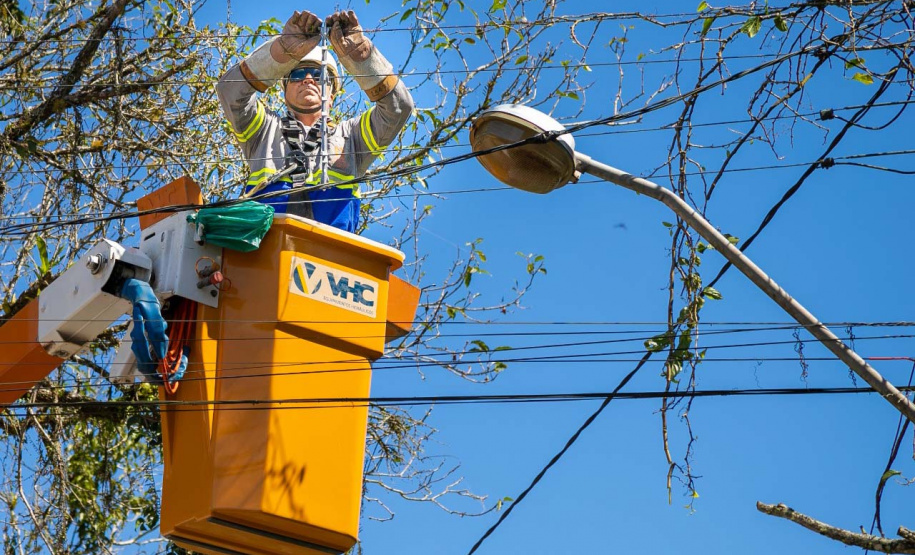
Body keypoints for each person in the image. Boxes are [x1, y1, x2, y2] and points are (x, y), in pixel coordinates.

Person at [217, 10, 414, 233]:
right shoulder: (264, 130)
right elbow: (229, 91)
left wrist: (361, 57)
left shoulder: (351, 137)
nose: (308, 79)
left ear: (332, 93)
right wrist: (281, 51)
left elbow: (398, 108)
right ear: (284, 91)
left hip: (329, 250)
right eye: (298, 74)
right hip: (266, 248)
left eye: (318, 75)